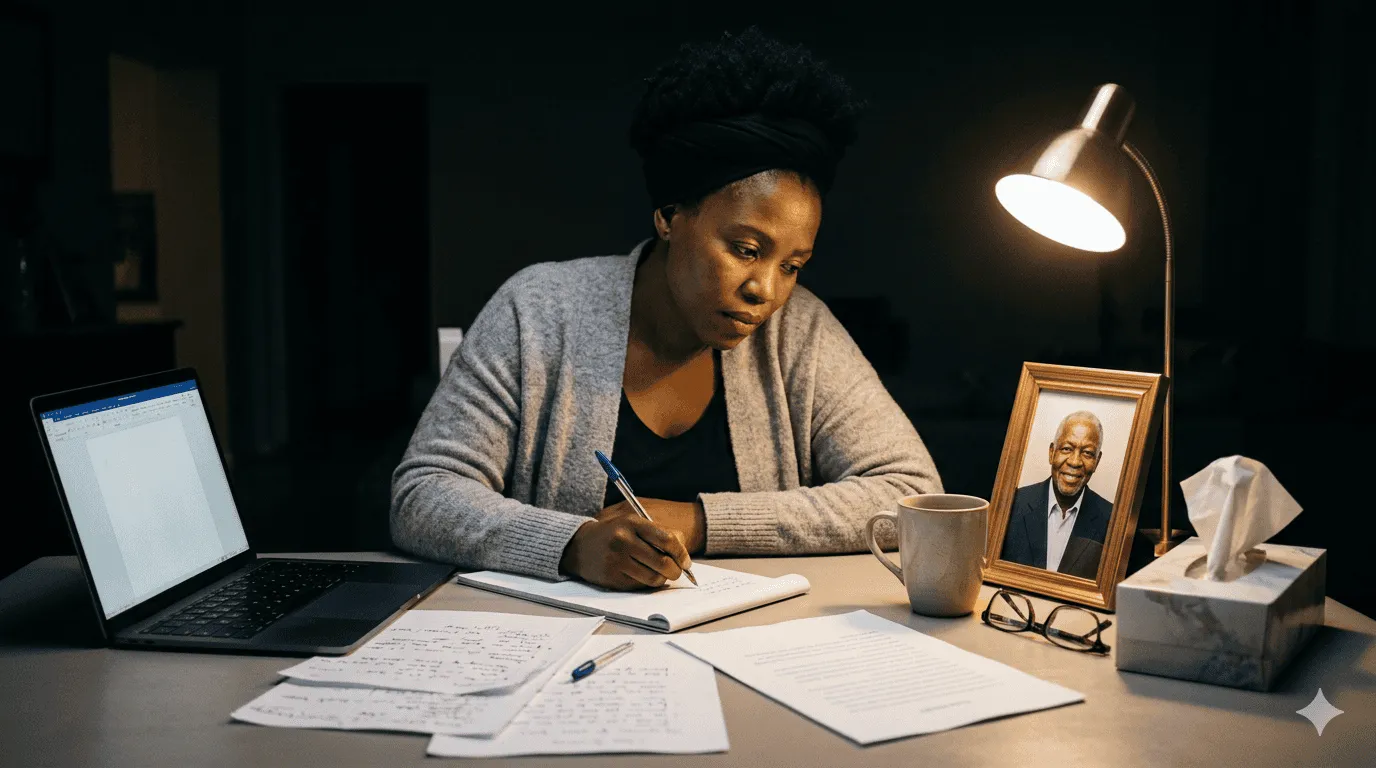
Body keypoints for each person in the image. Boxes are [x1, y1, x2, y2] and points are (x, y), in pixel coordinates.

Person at [391, 27, 942, 591]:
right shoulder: (538, 312)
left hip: (752, 641)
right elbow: (424, 494)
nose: (767, 290)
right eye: (746, 250)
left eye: (792, 264)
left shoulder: (799, 331)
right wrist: (572, 544)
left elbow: (909, 492)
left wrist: (700, 521)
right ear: (670, 216)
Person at [999, 411, 1113, 578]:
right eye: (1067, 449)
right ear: (1052, 452)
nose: (1075, 462)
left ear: (1097, 461)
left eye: (1087, 453)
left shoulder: (1112, 520)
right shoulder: (1011, 504)